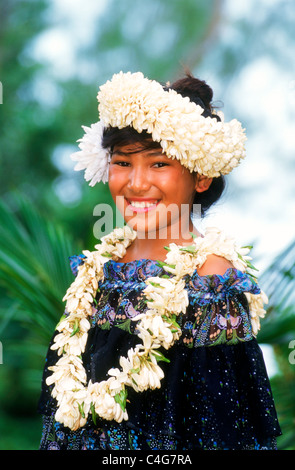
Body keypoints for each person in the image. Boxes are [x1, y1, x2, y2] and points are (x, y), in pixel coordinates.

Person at [38, 71, 281, 450]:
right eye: (122, 162)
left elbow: (227, 434)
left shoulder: (210, 279)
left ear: (200, 177)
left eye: (158, 164)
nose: (135, 183)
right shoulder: (95, 272)